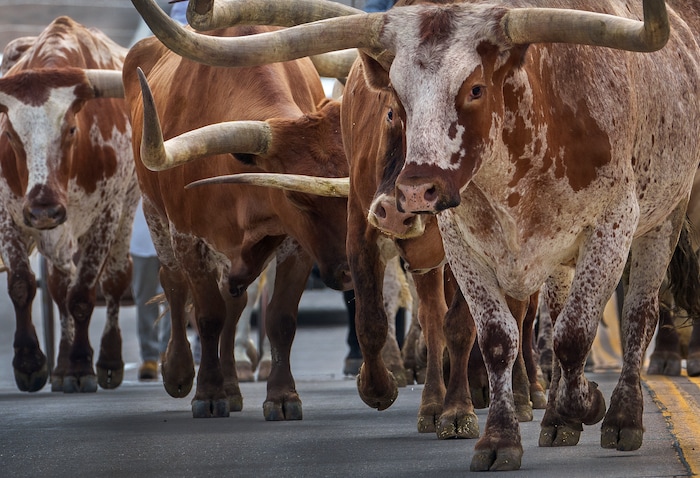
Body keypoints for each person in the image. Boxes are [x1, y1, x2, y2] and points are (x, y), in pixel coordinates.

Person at [131, 199, 171, 381]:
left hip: (172, 234)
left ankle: (170, 349)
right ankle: (149, 357)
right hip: (140, 237)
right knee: (144, 298)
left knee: (176, 297)